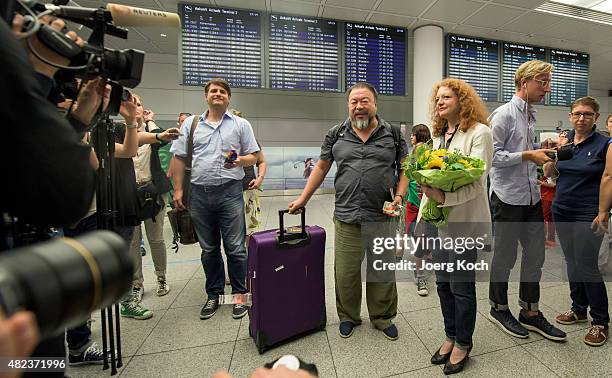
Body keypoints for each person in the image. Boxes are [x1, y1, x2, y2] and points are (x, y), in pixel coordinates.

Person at [288, 82, 409, 341]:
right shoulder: (336, 134)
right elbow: (320, 168)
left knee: (382, 270)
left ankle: (382, 316)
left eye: (364, 101)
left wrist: (399, 197)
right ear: (348, 106)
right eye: (354, 102)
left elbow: (405, 169)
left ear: (375, 104)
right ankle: (349, 316)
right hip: (347, 215)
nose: (359, 106)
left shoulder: (393, 135)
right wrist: (303, 198)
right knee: (346, 273)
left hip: (382, 215)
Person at [418, 78, 493, 374]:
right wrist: (424, 216)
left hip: (464, 224)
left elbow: (476, 182)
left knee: (461, 286)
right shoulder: (438, 137)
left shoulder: (479, 132)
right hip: (439, 223)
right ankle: (450, 335)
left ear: (463, 100)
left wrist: (443, 195)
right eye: (437, 98)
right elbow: (431, 176)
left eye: (446, 96)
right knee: (442, 284)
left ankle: (463, 342)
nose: (439, 101)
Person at [487, 60, 566, 341]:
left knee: (535, 256)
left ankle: (530, 312)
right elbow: (491, 158)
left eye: (547, 82)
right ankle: (498, 308)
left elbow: (520, 150)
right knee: (505, 257)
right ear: (525, 83)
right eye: (542, 82)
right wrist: (528, 155)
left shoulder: (529, 115)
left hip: (530, 195)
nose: (547, 87)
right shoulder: (504, 114)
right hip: (507, 198)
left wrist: (538, 149)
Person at [170, 78, 259, 320]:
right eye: (213, 91)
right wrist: (178, 190)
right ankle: (214, 295)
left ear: (228, 98)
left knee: (236, 249)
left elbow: (255, 156)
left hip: (230, 192)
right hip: (199, 194)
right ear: (206, 97)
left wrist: (240, 161)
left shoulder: (241, 125)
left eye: (222, 91)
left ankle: (240, 296)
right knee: (209, 250)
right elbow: (178, 158)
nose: (217, 94)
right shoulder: (191, 124)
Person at [543, 96, 610, 346]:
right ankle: (579, 308)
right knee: (571, 260)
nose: (582, 118)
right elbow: (549, 173)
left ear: (596, 118)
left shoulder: (605, 144)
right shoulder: (566, 142)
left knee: (587, 264)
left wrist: (603, 212)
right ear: (571, 116)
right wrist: (553, 154)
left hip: (588, 212)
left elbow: (609, 178)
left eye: (588, 114)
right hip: (563, 209)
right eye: (577, 114)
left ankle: (600, 321)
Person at [128, 96, 180, 303]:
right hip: (129, 195)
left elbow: (161, 138)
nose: (135, 107)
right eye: (130, 103)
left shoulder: (152, 134)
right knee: (132, 242)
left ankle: (161, 278)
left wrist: (150, 121)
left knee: (156, 239)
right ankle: (136, 284)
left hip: (154, 193)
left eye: (139, 104)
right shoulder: (119, 132)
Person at [230, 109, 267, 237]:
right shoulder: (224, 140)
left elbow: (261, 161)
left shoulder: (251, 140)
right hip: (227, 190)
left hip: (248, 188)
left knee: (250, 230)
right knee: (232, 231)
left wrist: (260, 179)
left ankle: (250, 256)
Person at [405, 124, 432, 296]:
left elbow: (416, 177)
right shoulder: (423, 150)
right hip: (416, 201)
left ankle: (420, 274)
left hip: (419, 202)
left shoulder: (422, 150)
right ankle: (423, 267)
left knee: (419, 239)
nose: (411, 137)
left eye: (413, 135)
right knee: (421, 237)